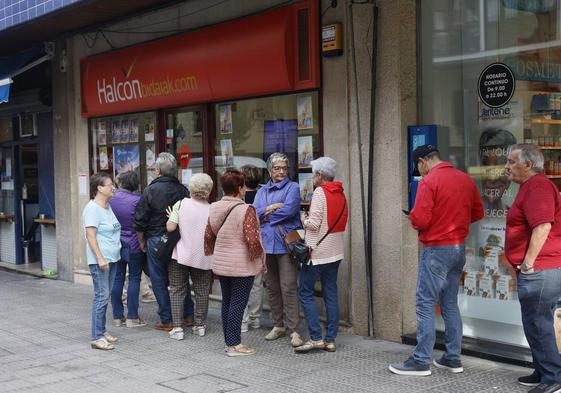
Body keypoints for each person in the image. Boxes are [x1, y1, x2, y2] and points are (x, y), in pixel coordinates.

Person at [389, 144, 484, 376]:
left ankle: (421, 360)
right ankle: (452, 358)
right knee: (450, 304)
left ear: (423, 161)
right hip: (458, 248)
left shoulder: (429, 181)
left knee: (424, 304)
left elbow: (420, 220)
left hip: (436, 249)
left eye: (418, 167)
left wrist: (413, 218)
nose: (419, 171)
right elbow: (478, 212)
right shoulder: (464, 179)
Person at [504, 144, 561, 393]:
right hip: (539, 268)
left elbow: (542, 226)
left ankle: (553, 378)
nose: (507, 166)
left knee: (538, 323)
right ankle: (542, 369)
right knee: (534, 322)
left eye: (511, 161)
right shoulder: (529, 186)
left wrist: (527, 264)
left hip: (540, 269)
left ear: (527, 164)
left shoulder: (537, 186)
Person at [204, 170, 265, 356]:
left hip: (222, 263)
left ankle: (229, 341)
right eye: (243, 186)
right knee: (238, 303)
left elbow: (208, 234)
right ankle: (234, 345)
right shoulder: (246, 209)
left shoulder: (214, 207)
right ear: (239, 188)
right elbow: (252, 240)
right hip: (241, 266)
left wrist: (212, 251)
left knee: (228, 302)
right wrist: (260, 260)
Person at [134, 152, 194, 331]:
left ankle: (166, 319)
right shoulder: (183, 190)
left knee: (158, 279)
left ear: (158, 170)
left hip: (155, 240)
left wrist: (142, 241)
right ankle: (188, 315)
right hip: (178, 239)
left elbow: (140, 221)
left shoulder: (150, 190)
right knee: (180, 279)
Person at [294, 157, 348, 354]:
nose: (312, 177)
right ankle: (330, 340)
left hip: (317, 253)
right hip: (335, 252)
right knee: (330, 293)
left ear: (319, 175)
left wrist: (303, 218)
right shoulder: (340, 193)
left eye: (313, 173)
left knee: (305, 292)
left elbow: (314, 224)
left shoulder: (319, 192)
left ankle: (316, 338)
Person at [253, 153, 303, 347]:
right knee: (272, 286)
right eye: (277, 168)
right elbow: (254, 213)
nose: (281, 171)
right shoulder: (262, 191)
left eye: (284, 168)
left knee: (288, 286)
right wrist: (272, 208)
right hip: (266, 244)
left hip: (285, 244)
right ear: (269, 171)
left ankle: (295, 330)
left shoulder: (293, 187)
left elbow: (289, 210)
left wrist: (268, 214)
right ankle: (278, 325)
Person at [166, 173, 214, 340]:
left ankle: (178, 328)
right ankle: (200, 325)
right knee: (202, 291)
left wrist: (170, 217)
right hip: (203, 255)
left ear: (191, 188)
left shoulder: (181, 204)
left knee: (177, 290)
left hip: (180, 254)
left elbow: (171, 227)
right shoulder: (212, 210)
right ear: (208, 190)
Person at [82, 172, 121, 350]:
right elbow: (90, 236)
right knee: (101, 296)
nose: (113, 187)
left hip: (112, 258)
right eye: (109, 185)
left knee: (106, 295)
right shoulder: (92, 209)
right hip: (101, 261)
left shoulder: (107, 206)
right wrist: (100, 258)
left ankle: (102, 330)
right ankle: (96, 337)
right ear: (99, 188)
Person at [109, 171, 147, 328]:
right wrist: (143, 242)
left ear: (120, 182)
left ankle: (117, 317)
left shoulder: (110, 198)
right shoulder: (137, 200)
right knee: (134, 278)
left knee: (117, 278)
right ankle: (132, 317)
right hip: (134, 244)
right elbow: (140, 224)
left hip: (115, 243)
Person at [240, 164, 264, 333]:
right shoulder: (263, 195)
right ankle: (255, 318)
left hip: (242, 243)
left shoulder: (239, 197)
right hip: (260, 241)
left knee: (242, 283)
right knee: (257, 282)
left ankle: (244, 319)